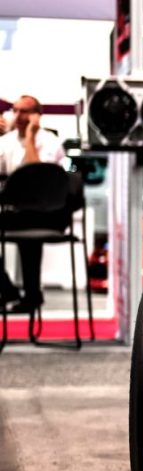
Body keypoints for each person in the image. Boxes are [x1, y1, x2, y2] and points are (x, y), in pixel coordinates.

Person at [0, 95, 67, 313]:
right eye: (15, 110)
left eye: (24, 111)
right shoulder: (6, 142)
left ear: (37, 115)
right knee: (23, 221)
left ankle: (31, 295)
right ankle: (9, 290)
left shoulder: (50, 141)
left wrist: (30, 137)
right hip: (16, 212)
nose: (18, 116)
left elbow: (39, 180)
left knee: (29, 228)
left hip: (47, 213)